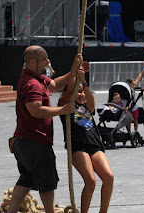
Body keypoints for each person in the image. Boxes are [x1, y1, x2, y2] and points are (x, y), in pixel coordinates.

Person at [8, 45, 82, 213]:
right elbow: (35, 110)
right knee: (47, 183)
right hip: (34, 142)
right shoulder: (31, 83)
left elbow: (54, 85)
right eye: (44, 59)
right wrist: (62, 110)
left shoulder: (37, 77)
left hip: (25, 142)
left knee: (26, 179)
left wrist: (73, 70)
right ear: (32, 62)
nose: (48, 62)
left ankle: (11, 211)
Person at [58, 62, 114, 213]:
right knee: (91, 181)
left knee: (108, 177)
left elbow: (92, 101)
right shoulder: (66, 106)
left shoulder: (87, 107)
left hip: (95, 146)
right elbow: (70, 88)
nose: (82, 94)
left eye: (83, 92)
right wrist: (74, 68)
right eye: (79, 92)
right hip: (78, 148)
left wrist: (83, 81)